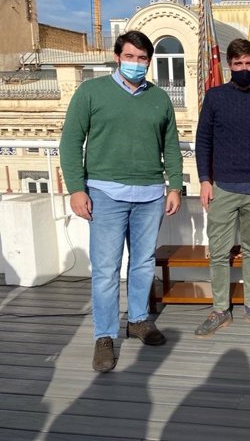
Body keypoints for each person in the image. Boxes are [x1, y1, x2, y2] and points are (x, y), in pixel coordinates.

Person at [59, 30, 183, 372]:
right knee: (106, 270)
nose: (136, 64)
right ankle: (104, 336)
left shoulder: (159, 99)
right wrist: (76, 188)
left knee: (143, 263)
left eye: (143, 59)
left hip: (149, 195)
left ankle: (139, 320)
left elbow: (171, 145)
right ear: (118, 57)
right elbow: (70, 142)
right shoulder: (91, 92)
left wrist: (174, 186)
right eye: (130, 57)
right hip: (104, 193)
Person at [194, 38, 250, 337]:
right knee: (218, 251)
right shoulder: (215, 97)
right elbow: (203, 141)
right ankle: (220, 309)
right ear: (229, 65)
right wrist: (205, 180)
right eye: (238, 63)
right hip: (223, 188)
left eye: (249, 63)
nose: (244, 68)